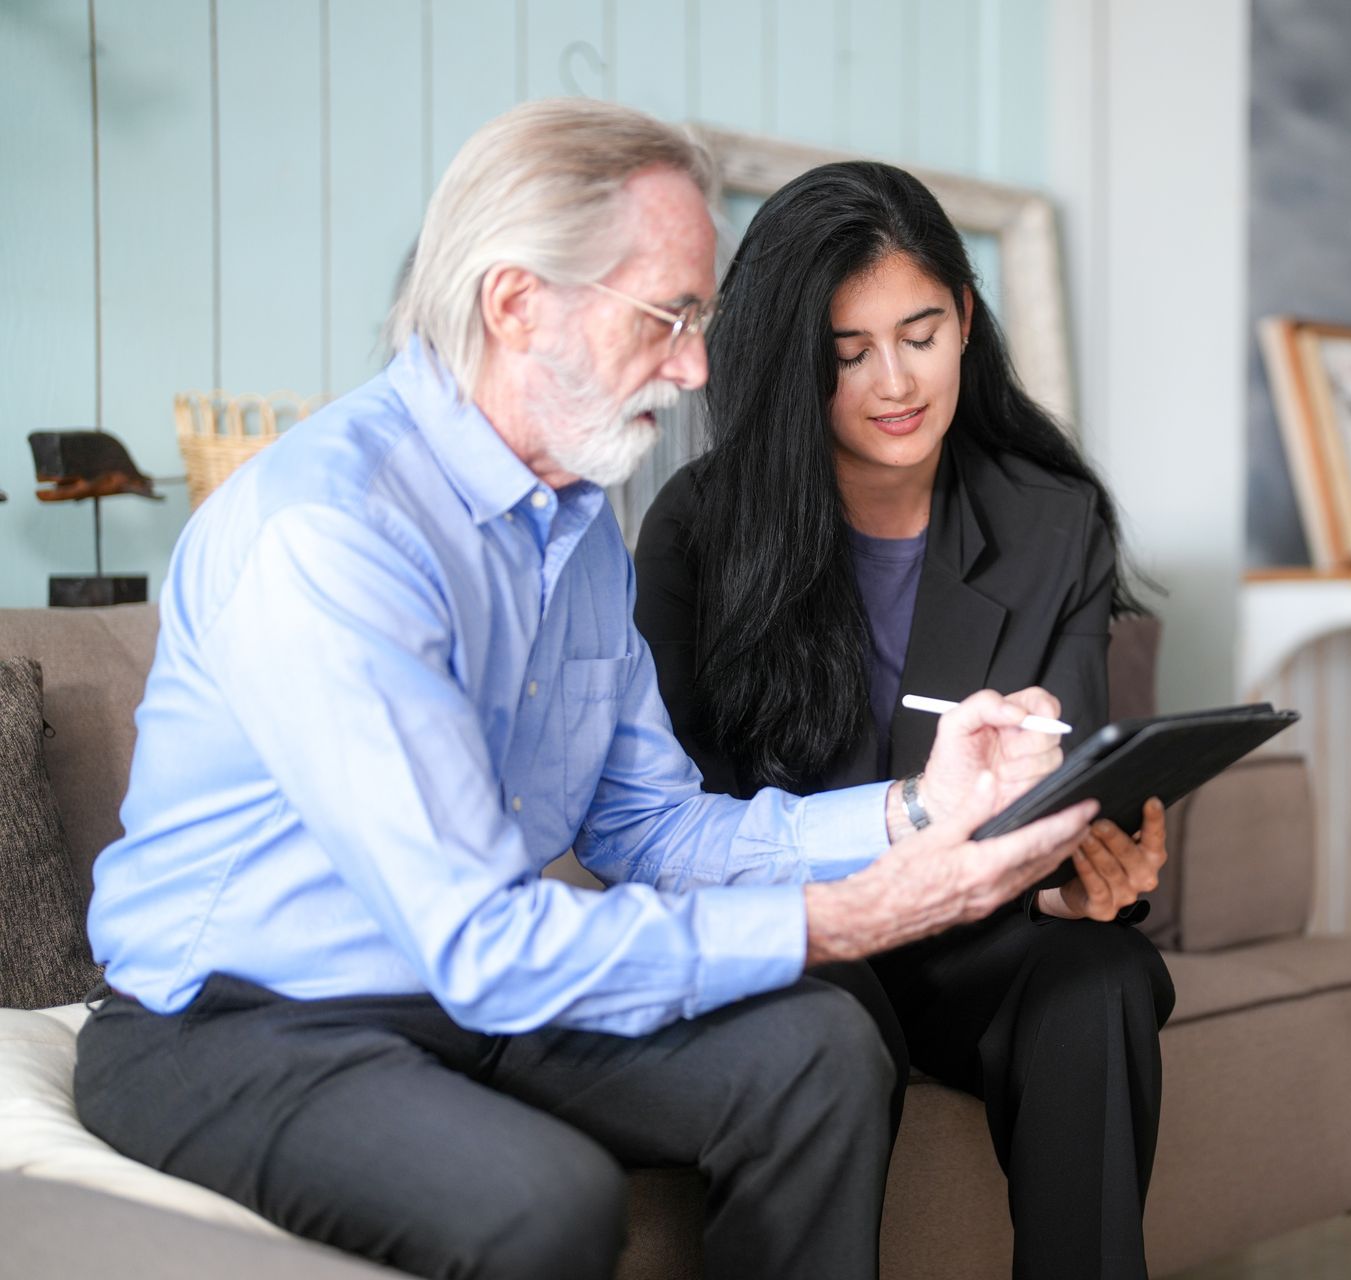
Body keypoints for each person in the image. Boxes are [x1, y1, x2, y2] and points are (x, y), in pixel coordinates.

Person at [72, 100, 1097, 1280]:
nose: (700, 365)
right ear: (516, 303)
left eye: (700, 320)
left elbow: (649, 824)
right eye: (668, 317)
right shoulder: (329, 533)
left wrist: (918, 806)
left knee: (819, 1050)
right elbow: (481, 937)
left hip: (479, 997)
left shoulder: (574, 525)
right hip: (245, 1024)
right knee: (538, 1200)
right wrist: (844, 916)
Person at [631, 160, 1175, 1280]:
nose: (894, 381)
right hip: (813, 932)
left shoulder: (1050, 519)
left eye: (921, 333)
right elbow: (671, 825)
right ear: (792, 364)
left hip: (982, 932)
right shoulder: (699, 530)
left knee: (1102, 981)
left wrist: (1089, 870)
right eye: (847, 354)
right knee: (819, 1023)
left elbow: (1064, 777)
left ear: (967, 320)